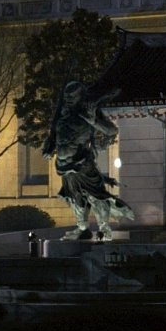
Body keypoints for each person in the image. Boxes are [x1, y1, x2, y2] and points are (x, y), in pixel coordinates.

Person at [42, 81, 134, 241]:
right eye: (66, 97)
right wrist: (48, 148)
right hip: (64, 165)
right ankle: (82, 228)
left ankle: (104, 228)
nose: (68, 100)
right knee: (74, 197)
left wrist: (93, 121)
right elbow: (55, 136)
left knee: (95, 195)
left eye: (72, 97)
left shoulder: (88, 112)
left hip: (82, 162)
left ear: (80, 96)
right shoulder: (62, 115)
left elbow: (111, 130)